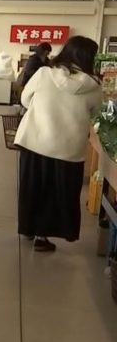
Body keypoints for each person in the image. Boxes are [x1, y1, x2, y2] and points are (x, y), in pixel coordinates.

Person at [14, 35, 102, 252]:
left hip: (35, 139)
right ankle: (42, 237)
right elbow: (97, 116)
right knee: (56, 192)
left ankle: (28, 227)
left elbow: (25, 99)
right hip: (68, 149)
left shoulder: (44, 73)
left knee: (32, 186)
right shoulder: (94, 86)